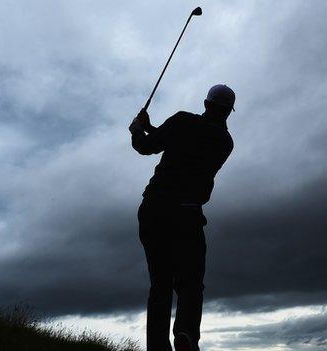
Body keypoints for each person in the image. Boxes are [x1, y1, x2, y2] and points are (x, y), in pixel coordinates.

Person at [129, 84, 235, 351]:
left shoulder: (181, 121)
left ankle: (157, 347)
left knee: (160, 284)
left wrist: (137, 130)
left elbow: (147, 146)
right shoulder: (225, 142)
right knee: (190, 282)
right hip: (187, 214)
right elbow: (189, 142)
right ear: (228, 112)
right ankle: (186, 332)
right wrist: (151, 127)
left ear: (205, 103)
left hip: (155, 209)